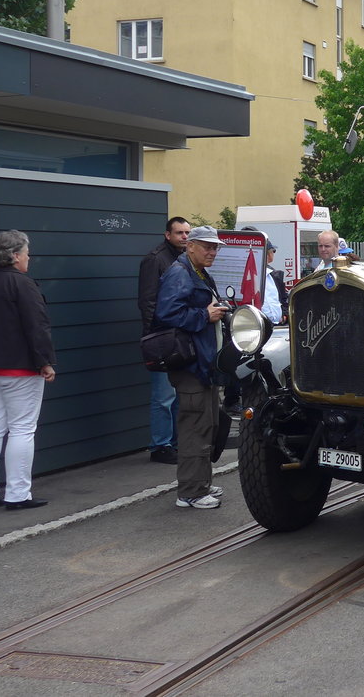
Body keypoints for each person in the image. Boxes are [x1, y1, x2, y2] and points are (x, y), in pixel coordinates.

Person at [154, 226, 231, 509]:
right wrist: (204, 314)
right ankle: (190, 492)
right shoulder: (179, 273)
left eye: (215, 248)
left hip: (202, 362)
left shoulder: (195, 271)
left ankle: (199, 484)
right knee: (194, 427)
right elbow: (166, 314)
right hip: (190, 363)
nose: (213, 252)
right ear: (190, 247)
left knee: (206, 424)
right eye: (207, 247)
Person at [0, 230, 56, 511]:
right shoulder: (23, 285)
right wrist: (46, 362)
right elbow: (36, 326)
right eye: (27, 253)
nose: (29, 258)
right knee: (22, 429)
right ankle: (17, 494)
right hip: (20, 369)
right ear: (16, 256)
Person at [137, 216, 190, 464]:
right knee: (163, 396)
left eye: (187, 233)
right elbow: (147, 301)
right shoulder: (155, 259)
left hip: (181, 335)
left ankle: (176, 442)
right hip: (162, 337)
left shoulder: (186, 258)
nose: (184, 237)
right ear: (167, 235)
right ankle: (160, 445)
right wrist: (153, 337)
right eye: (179, 233)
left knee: (179, 393)